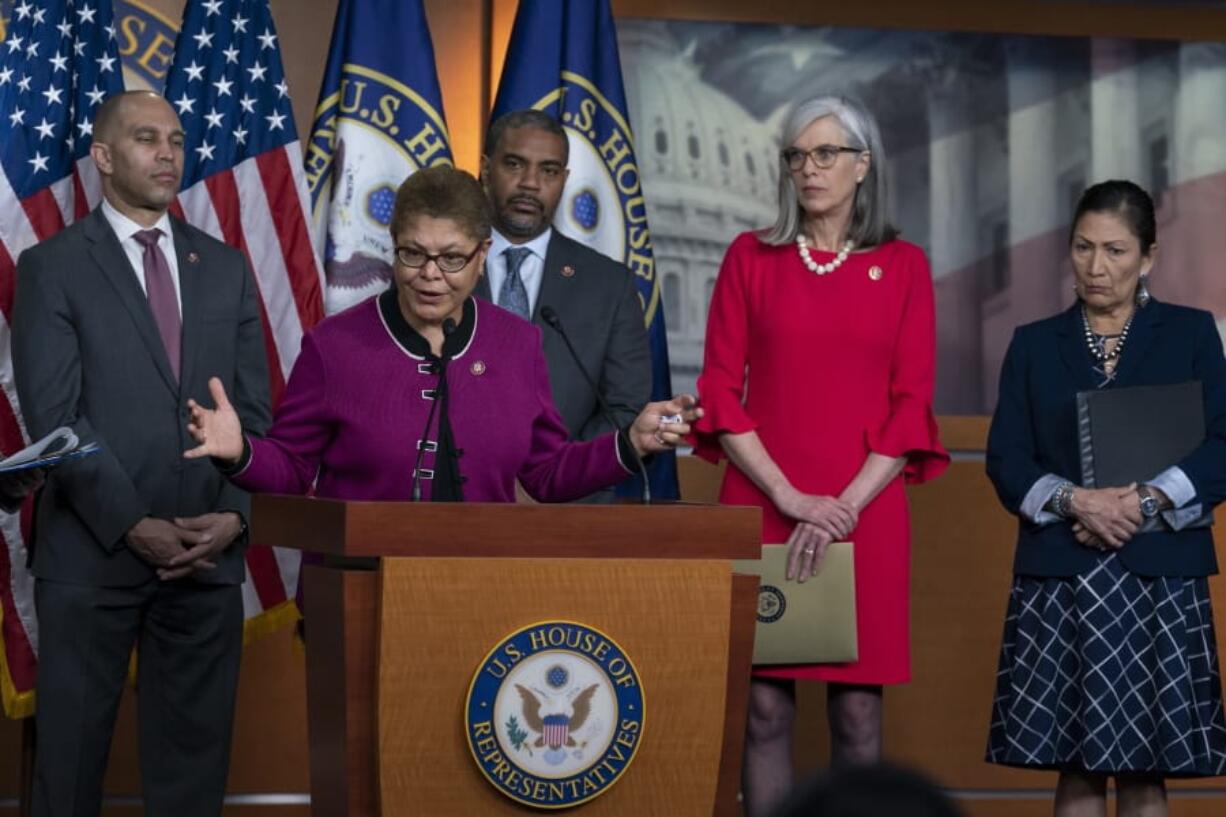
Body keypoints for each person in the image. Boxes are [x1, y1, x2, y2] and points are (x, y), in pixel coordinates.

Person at [11, 91, 271, 816]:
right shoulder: (51, 266)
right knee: (67, 773)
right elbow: (56, 418)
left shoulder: (225, 266)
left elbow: (254, 415)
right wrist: (133, 525)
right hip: (91, 557)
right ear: (102, 157)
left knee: (192, 777)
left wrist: (234, 516)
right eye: (147, 138)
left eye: (178, 139)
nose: (168, 152)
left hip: (205, 553)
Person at [691, 94, 948, 816]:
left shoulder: (902, 266)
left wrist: (837, 510)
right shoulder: (752, 256)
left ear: (863, 165)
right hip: (765, 504)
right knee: (765, 712)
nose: (809, 168)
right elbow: (718, 388)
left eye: (826, 153)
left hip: (863, 512)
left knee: (858, 718)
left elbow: (909, 406)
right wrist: (794, 499)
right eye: (797, 155)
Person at [181, 165, 695, 505]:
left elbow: (547, 473)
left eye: (451, 258)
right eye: (413, 253)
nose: (430, 274)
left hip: (478, 590)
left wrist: (629, 444)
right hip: (356, 590)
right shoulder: (334, 346)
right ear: (393, 246)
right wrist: (240, 452)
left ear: (482, 255)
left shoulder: (518, 344)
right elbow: (291, 468)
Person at [985, 180, 1226, 816]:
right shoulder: (1034, 344)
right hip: (1064, 573)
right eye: (1083, 248)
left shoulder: (1193, 334)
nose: (1096, 267)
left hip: (1160, 577)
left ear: (1148, 257)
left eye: (1116, 251)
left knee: (1148, 773)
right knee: (1078, 772)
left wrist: (1145, 500)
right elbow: (1006, 459)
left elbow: (1223, 446)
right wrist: (1075, 502)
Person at [475, 109, 652, 501]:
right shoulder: (439, 269)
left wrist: (556, 472)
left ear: (565, 180)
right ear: (486, 169)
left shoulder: (610, 285)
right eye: (515, 164)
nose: (530, 184)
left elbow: (625, 406)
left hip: (569, 509)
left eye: (549, 171)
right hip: (454, 506)